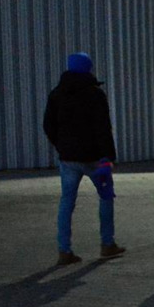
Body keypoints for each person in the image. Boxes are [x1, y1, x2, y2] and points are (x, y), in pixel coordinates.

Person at [43, 52, 125, 264]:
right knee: (105, 198)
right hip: (94, 158)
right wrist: (108, 156)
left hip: (68, 159)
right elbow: (103, 129)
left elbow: (48, 125)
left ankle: (64, 250)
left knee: (67, 202)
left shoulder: (56, 94)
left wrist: (61, 145)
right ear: (88, 68)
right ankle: (107, 244)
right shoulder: (95, 95)